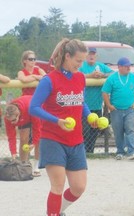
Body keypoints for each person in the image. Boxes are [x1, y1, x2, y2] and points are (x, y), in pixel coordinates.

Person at [29, 38, 96, 216]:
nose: (80, 65)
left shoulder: (80, 77)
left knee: (78, 187)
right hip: (53, 139)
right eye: (78, 61)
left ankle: (57, 211)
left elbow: (80, 101)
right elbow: (33, 107)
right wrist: (57, 120)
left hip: (76, 140)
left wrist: (89, 115)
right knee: (57, 186)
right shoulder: (49, 80)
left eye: (82, 61)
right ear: (67, 56)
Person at [102, 57, 134, 160]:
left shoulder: (133, 77)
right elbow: (105, 92)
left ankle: (132, 151)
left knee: (130, 129)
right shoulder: (112, 78)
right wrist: (109, 105)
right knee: (118, 131)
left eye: (129, 66)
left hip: (129, 109)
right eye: (126, 66)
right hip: (116, 109)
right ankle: (120, 151)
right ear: (119, 67)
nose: (128, 68)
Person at [79, 47, 114, 153]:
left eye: (93, 54)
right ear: (86, 56)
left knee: (95, 131)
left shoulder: (101, 66)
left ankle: (90, 152)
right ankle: (83, 152)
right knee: (85, 130)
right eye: (89, 54)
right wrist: (90, 76)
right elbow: (76, 75)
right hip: (84, 106)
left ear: (96, 56)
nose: (91, 56)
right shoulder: (82, 66)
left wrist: (103, 75)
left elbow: (113, 73)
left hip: (97, 105)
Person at [4, 95, 41, 177]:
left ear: (18, 114)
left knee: (39, 140)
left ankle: (36, 165)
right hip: (25, 114)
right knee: (24, 138)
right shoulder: (8, 117)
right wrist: (13, 153)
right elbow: (11, 137)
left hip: (35, 110)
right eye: (10, 121)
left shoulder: (31, 108)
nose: (12, 123)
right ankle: (23, 164)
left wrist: (34, 143)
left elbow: (37, 129)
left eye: (14, 120)